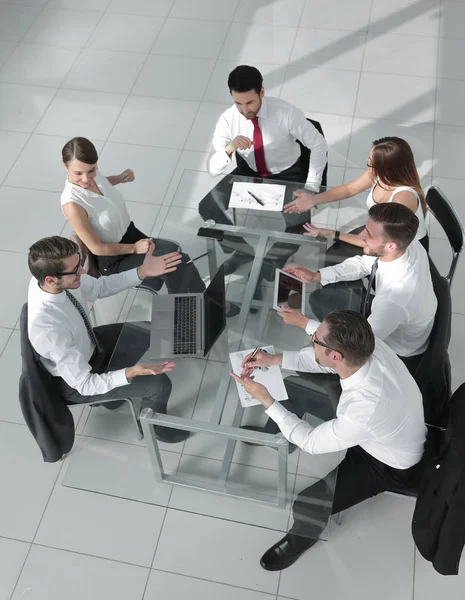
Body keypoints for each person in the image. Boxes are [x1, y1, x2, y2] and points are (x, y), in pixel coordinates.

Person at [231, 310, 426, 571]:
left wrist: (266, 399)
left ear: (336, 355)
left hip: (389, 463)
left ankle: (301, 538)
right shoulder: (367, 344)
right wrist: (275, 359)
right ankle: (276, 436)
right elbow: (323, 359)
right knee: (297, 390)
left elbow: (311, 443)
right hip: (385, 426)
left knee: (308, 503)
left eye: (315, 340)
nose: (311, 341)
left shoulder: (363, 409)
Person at [27, 235, 190, 444]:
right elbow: (84, 385)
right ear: (50, 279)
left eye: (79, 262)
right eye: (76, 271)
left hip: (90, 344)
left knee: (154, 331)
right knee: (160, 384)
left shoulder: (50, 279)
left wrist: (143, 271)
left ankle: (110, 397)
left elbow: (98, 288)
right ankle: (156, 427)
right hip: (79, 380)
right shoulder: (48, 329)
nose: (83, 271)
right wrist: (130, 372)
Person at [60, 137, 238, 318]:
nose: (86, 179)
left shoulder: (92, 175)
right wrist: (135, 248)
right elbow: (97, 247)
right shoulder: (72, 205)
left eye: (92, 171)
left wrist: (119, 179)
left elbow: (101, 183)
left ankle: (195, 307)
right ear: (65, 166)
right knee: (176, 263)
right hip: (113, 259)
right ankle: (192, 311)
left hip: (131, 235)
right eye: (78, 174)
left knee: (178, 261)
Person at [282, 203, 437, 374]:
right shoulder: (408, 244)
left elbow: (348, 354)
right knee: (325, 300)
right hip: (392, 321)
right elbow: (366, 263)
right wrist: (317, 276)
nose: (362, 236)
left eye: (369, 235)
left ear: (391, 246)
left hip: (395, 349)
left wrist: (304, 324)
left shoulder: (393, 301)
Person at [205, 65, 328, 276]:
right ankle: (242, 251)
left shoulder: (286, 113)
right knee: (209, 208)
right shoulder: (228, 119)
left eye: (250, 102)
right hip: (250, 173)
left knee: (299, 223)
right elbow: (213, 170)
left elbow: (318, 144)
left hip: (287, 174)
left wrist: (311, 187)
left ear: (262, 92)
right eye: (238, 103)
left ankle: (271, 262)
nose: (245, 110)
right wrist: (229, 148)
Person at [285, 136, 429, 255]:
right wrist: (314, 199)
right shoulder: (379, 174)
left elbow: (380, 243)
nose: (368, 166)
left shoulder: (403, 198)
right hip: (378, 233)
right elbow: (349, 189)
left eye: (371, 163)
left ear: (387, 168)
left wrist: (331, 233)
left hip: (399, 248)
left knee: (337, 258)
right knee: (335, 253)